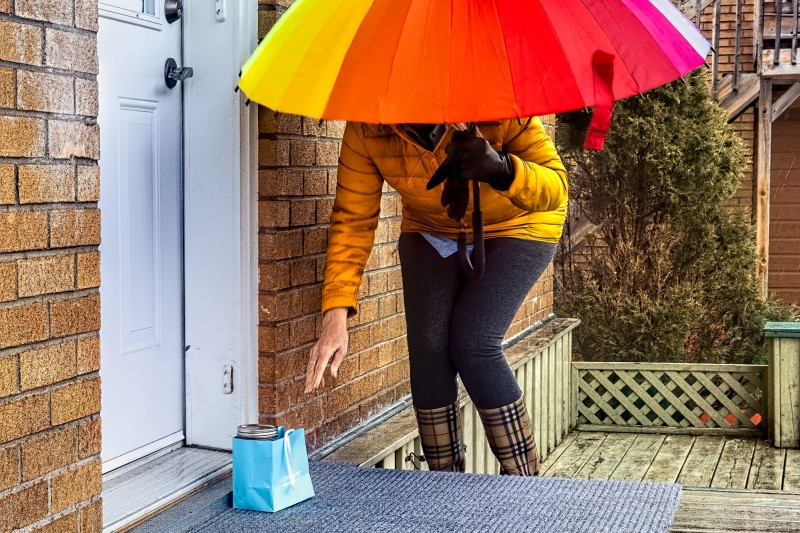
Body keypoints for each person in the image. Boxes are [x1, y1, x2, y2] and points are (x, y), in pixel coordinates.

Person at [305, 119, 568, 475]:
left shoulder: (496, 106)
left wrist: (503, 169)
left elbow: (557, 187)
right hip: (431, 227)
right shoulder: (366, 126)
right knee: (428, 349)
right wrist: (334, 315)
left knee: (473, 343)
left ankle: (526, 484)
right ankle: (443, 485)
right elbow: (352, 220)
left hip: (520, 223)